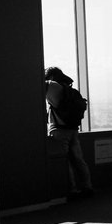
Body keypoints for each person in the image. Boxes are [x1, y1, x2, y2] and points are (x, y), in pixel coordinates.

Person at [43, 66, 93, 200]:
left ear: (52, 77)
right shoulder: (69, 90)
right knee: (79, 160)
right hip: (73, 129)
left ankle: (72, 191)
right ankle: (87, 188)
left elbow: (38, 83)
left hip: (59, 130)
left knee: (65, 161)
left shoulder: (52, 86)